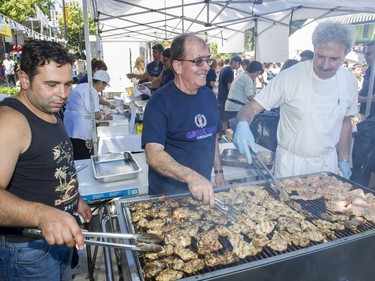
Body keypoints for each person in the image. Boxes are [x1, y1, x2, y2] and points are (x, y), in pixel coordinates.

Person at [0, 40, 92, 280]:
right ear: (24, 79)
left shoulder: (48, 108)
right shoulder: (10, 121)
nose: (62, 94)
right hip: (28, 251)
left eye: (67, 84)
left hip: (58, 236)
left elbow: (51, 165)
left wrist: (73, 198)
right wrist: (42, 215)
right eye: (51, 84)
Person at [233, 22, 358, 180]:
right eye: (320, 56)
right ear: (314, 49)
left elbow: (346, 121)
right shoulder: (289, 77)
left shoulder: (349, 82)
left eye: (333, 59)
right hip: (291, 164)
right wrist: (243, 124)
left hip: (327, 164)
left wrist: (344, 159)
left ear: (345, 55)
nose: (325, 65)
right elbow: (251, 107)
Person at [142, 34, 225, 208]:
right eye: (198, 61)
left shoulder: (209, 96)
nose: (207, 68)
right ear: (178, 66)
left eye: (208, 60)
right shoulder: (159, 102)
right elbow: (153, 154)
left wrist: (218, 171)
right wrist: (190, 176)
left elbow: (212, 138)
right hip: (167, 198)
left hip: (201, 192)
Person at [64, 70, 113, 160]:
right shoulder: (91, 91)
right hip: (80, 129)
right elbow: (95, 115)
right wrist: (105, 117)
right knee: (83, 157)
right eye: (105, 85)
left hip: (72, 125)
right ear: (101, 82)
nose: (104, 88)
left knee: (75, 154)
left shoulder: (83, 86)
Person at [217, 55, 242, 129]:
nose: (239, 66)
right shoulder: (229, 71)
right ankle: (227, 136)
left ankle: (224, 135)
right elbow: (229, 87)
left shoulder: (224, 69)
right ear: (233, 62)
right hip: (226, 98)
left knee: (224, 119)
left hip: (221, 97)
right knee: (228, 119)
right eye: (238, 63)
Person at [358, 41, 375, 119]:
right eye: (365, 53)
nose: (365, 56)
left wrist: (363, 99)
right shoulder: (370, 69)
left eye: (368, 54)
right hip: (366, 112)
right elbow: (366, 87)